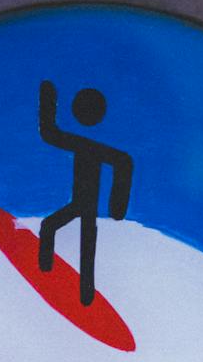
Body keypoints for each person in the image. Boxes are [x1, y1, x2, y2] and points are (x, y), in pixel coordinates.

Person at [37, 80, 133, 306]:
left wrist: (117, 208)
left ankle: (85, 295)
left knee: (81, 240)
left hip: (88, 203)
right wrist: (47, 97)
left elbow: (123, 163)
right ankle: (52, 274)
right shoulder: (92, 147)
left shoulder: (88, 146)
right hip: (82, 202)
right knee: (54, 228)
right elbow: (50, 133)